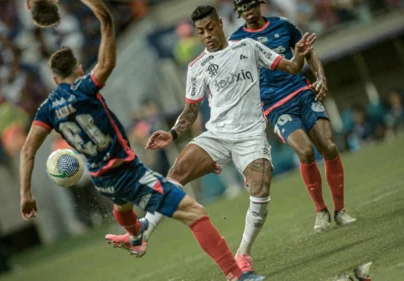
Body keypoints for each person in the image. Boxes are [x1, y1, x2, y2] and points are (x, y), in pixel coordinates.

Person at [19, 1, 262, 280]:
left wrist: (26, 194)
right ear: (80, 67)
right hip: (126, 170)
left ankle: (135, 235)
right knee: (194, 212)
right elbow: (107, 28)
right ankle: (236, 275)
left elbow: (27, 150)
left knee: (121, 204)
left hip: (101, 179)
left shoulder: (47, 109)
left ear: (53, 78)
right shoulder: (87, 87)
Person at [130, 4, 315, 274]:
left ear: (219, 23)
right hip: (217, 135)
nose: (206, 35)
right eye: (200, 32)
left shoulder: (248, 47)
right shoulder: (197, 66)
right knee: (176, 172)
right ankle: (145, 229)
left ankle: (243, 252)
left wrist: (299, 56)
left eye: (209, 28)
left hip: (250, 135)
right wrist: (171, 134)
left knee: (261, 190)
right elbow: (191, 110)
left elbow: (291, 67)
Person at [229, 0, 356, 233]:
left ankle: (340, 210)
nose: (247, 9)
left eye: (250, 3)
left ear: (260, 4)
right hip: (276, 105)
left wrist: (321, 78)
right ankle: (321, 210)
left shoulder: (283, 25)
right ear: (237, 11)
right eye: (241, 6)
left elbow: (308, 52)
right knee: (306, 151)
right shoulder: (236, 42)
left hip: (302, 93)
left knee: (328, 146)